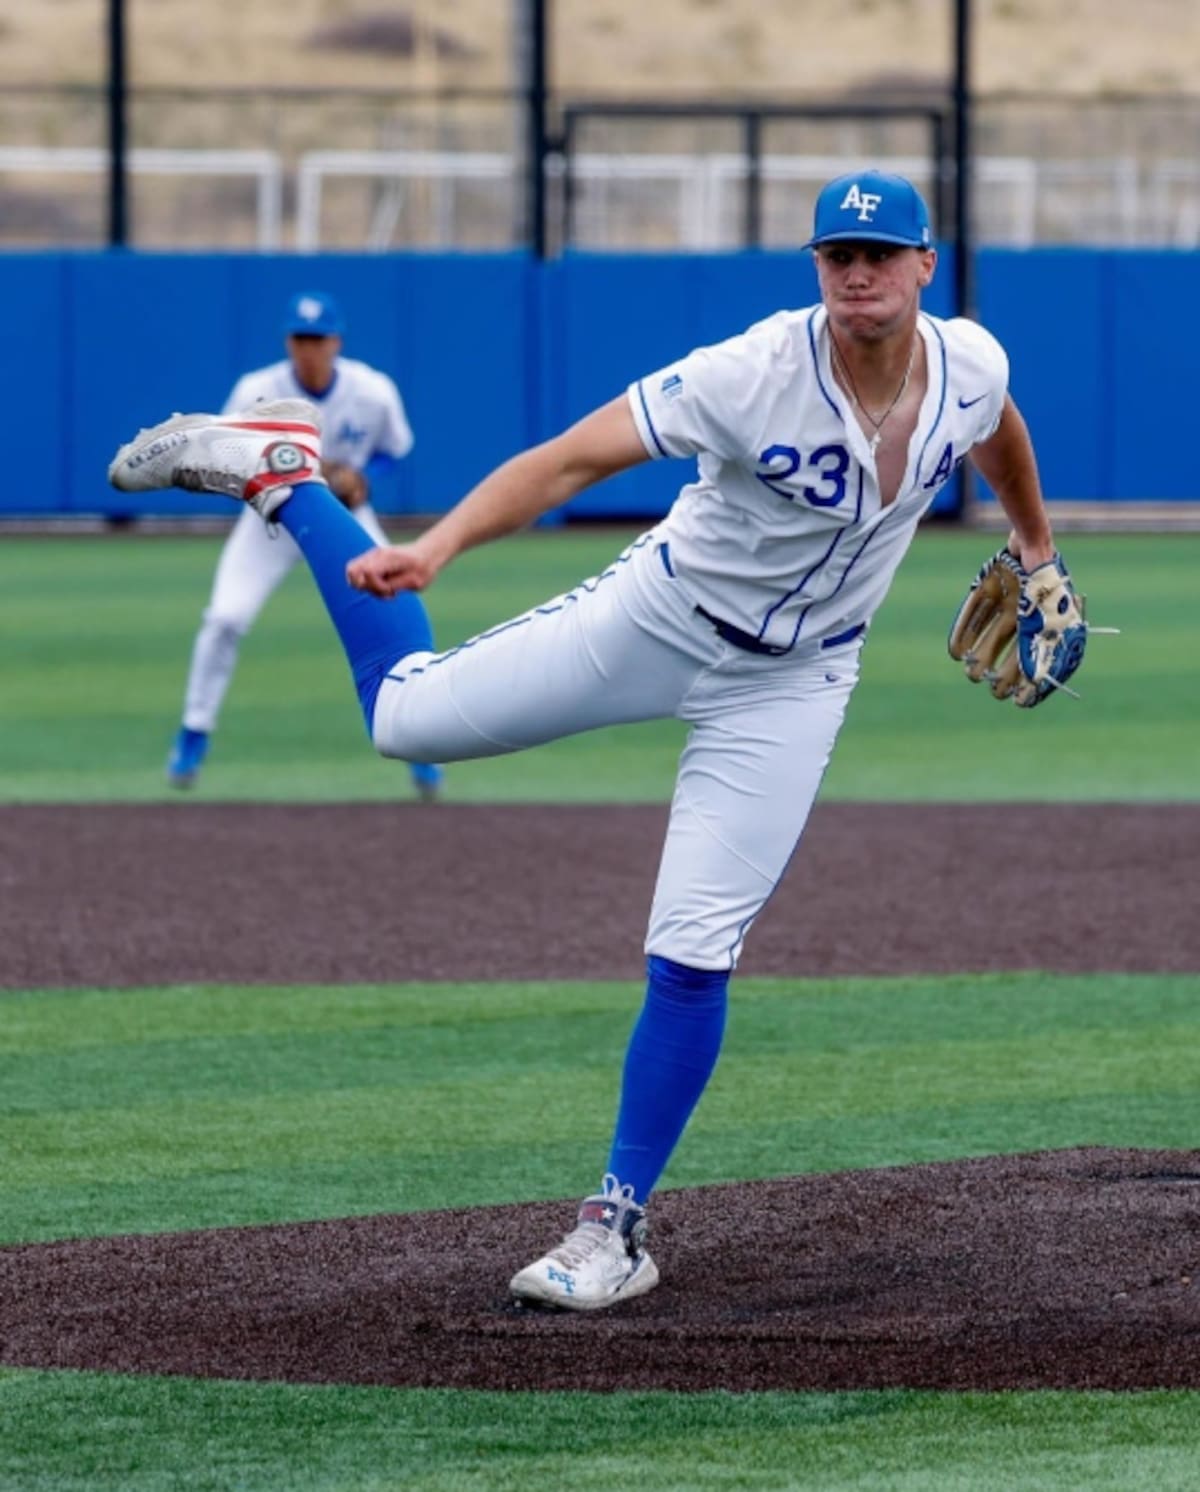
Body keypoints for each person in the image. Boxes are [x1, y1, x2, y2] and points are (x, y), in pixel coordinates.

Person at [111, 170, 1080, 1312]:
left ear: (927, 263)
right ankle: (289, 483)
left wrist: (1036, 546)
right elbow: (572, 459)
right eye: (836, 255)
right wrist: (435, 552)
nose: (858, 272)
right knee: (402, 719)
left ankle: (611, 1226)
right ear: (816, 269)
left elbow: (998, 428)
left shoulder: (973, 363)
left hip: (795, 683)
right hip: (658, 621)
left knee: (696, 945)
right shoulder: (748, 373)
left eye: (880, 254)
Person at [165, 289, 445, 803]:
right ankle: (193, 733)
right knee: (225, 618)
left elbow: (393, 451)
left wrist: (362, 477)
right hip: (270, 519)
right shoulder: (256, 389)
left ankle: (423, 745)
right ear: (288, 342)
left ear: (336, 341)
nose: (309, 349)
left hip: (346, 520)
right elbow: (222, 454)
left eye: (318, 339)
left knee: (399, 607)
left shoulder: (373, 391)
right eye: (300, 338)